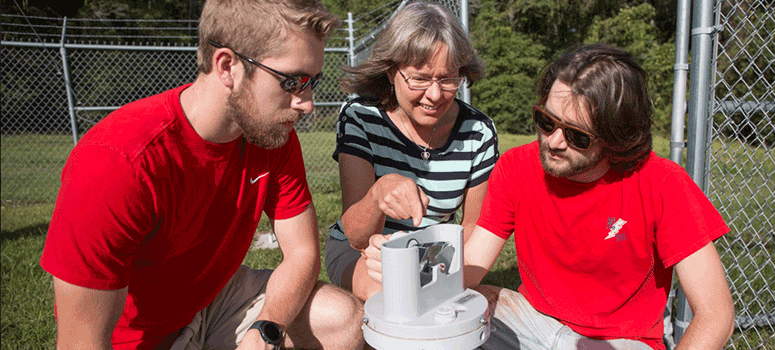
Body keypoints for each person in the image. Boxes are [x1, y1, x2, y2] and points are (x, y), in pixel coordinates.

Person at [39, 1, 365, 349]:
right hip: (138, 339)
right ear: (227, 66)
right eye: (293, 81)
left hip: (210, 300)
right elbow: (81, 342)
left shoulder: (272, 136)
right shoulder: (118, 163)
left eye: (312, 81)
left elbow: (302, 254)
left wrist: (266, 329)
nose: (307, 102)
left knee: (341, 320)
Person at [463, 44, 736, 350]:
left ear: (615, 138)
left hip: (618, 341)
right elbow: (472, 263)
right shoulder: (516, 167)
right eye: (546, 121)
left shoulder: (663, 184)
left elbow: (716, 314)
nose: (553, 142)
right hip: (532, 321)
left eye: (577, 136)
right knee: (466, 309)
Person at [324, 1, 498, 302]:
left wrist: (436, 267)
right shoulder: (361, 118)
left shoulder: (479, 132)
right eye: (420, 78)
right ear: (392, 72)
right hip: (365, 251)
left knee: (433, 305)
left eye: (447, 79)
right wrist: (379, 195)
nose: (434, 94)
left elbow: (473, 226)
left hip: (434, 254)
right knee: (392, 299)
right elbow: (356, 235)